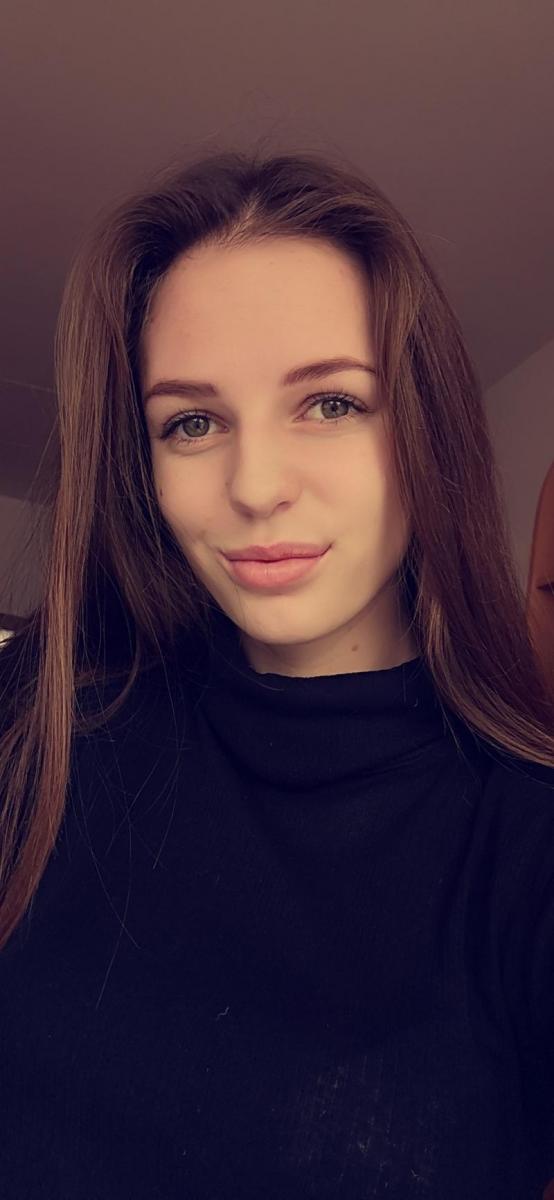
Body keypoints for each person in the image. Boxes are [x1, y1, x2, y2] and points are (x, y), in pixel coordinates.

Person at [0, 143, 553, 1200]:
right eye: (191, 422)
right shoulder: (48, 722)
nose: (254, 486)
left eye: (330, 403)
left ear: (425, 428)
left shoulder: (522, 847)